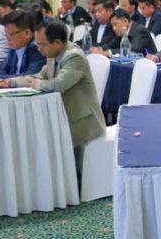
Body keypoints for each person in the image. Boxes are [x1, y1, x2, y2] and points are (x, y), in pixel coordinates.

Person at [8, 19, 105, 169]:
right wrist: (11, 82)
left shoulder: (74, 56)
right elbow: (39, 76)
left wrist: (37, 84)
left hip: (82, 124)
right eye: (37, 44)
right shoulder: (53, 54)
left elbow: (58, 85)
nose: (39, 49)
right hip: (63, 118)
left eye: (42, 45)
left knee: (43, 145)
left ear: (58, 43)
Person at [0, 11, 45, 78]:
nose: (7, 38)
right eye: (6, 34)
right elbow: (3, 71)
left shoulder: (37, 49)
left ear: (27, 33)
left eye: (11, 34)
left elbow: (29, 76)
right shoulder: (14, 48)